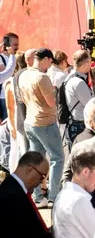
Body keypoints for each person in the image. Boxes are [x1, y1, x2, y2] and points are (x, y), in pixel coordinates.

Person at [19, 48, 64, 203]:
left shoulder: (24, 75)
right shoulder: (42, 77)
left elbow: (23, 99)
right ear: (46, 59)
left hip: (30, 121)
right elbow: (51, 103)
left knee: (35, 161)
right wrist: (55, 93)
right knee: (58, 158)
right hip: (45, 122)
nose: (50, 66)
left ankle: (37, 196)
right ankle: (53, 196)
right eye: (50, 62)